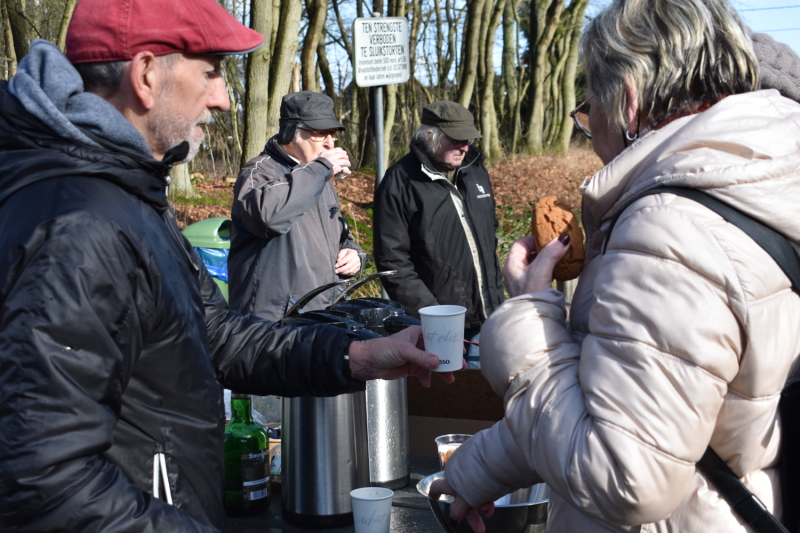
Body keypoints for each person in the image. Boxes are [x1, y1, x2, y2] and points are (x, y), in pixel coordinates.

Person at [0, 1, 454, 532]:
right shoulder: (78, 224)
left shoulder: (126, 194)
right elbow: (44, 481)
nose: (223, 99)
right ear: (145, 75)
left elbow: (215, 334)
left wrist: (355, 356)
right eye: (211, 73)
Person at [431, 0, 800, 531]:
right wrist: (475, 471)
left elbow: (627, 477)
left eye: (588, 109)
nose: (588, 128)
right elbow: (615, 395)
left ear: (627, 103)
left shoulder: (670, 230)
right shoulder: (753, 181)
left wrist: (530, 315)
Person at [373, 101, 504, 368]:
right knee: (449, 405)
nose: (465, 147)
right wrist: (435, 317)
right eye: (457, 140)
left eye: (468, 139)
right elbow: (392, 261)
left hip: (493, 318)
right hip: (441, 329)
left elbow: (489, 238)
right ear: (429, 136)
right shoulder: (400, 182)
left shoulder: (476, 171)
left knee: (489, 404)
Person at [229, 91, 365, 320]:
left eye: (332, 134)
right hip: (272, 324)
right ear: (290, 133)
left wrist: (355, 254)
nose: (329, 143)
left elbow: (338, 236)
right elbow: (268, 218)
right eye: (319, 133)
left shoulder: (320, 178)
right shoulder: (258, 172)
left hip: (320, 315)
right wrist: (320, 169)